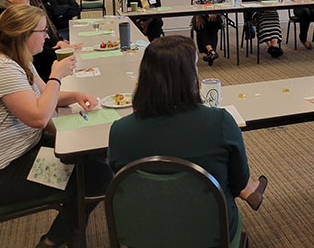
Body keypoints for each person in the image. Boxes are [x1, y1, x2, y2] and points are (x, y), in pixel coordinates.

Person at [0, 4, 111, 247]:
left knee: (91, 157)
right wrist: (57, 74)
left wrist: (73, 95)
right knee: (96, 174)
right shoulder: (2, 70)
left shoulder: (18, 60)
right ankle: (53, 241)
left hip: (20, 150)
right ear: (24, 35)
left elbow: (45, 96)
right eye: (42, 32)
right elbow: (39, 117)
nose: (47, 37)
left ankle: (72, 232)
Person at [107, 36, 268, 243]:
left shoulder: (119, 132)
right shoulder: (220, 123)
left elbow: (122, 187)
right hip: (210, 235)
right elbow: (238, 183)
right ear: (189, 76)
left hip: (143, 235)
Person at [27, 0, 79, 82]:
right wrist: (59, 50)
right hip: (47, 63)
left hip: (55, 46)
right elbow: (56, 13)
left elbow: (75, 9)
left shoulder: (43, 5)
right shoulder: (31, 15)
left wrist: (59, 41)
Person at [193, 0, 228, 65]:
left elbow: (225, 1)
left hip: (217, 15)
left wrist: (216, 12)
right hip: (202, 14)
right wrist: (199, 16)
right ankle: (211, 51)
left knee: (213, 22)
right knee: (200, 24)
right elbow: (196, 2)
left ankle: (210, 51)